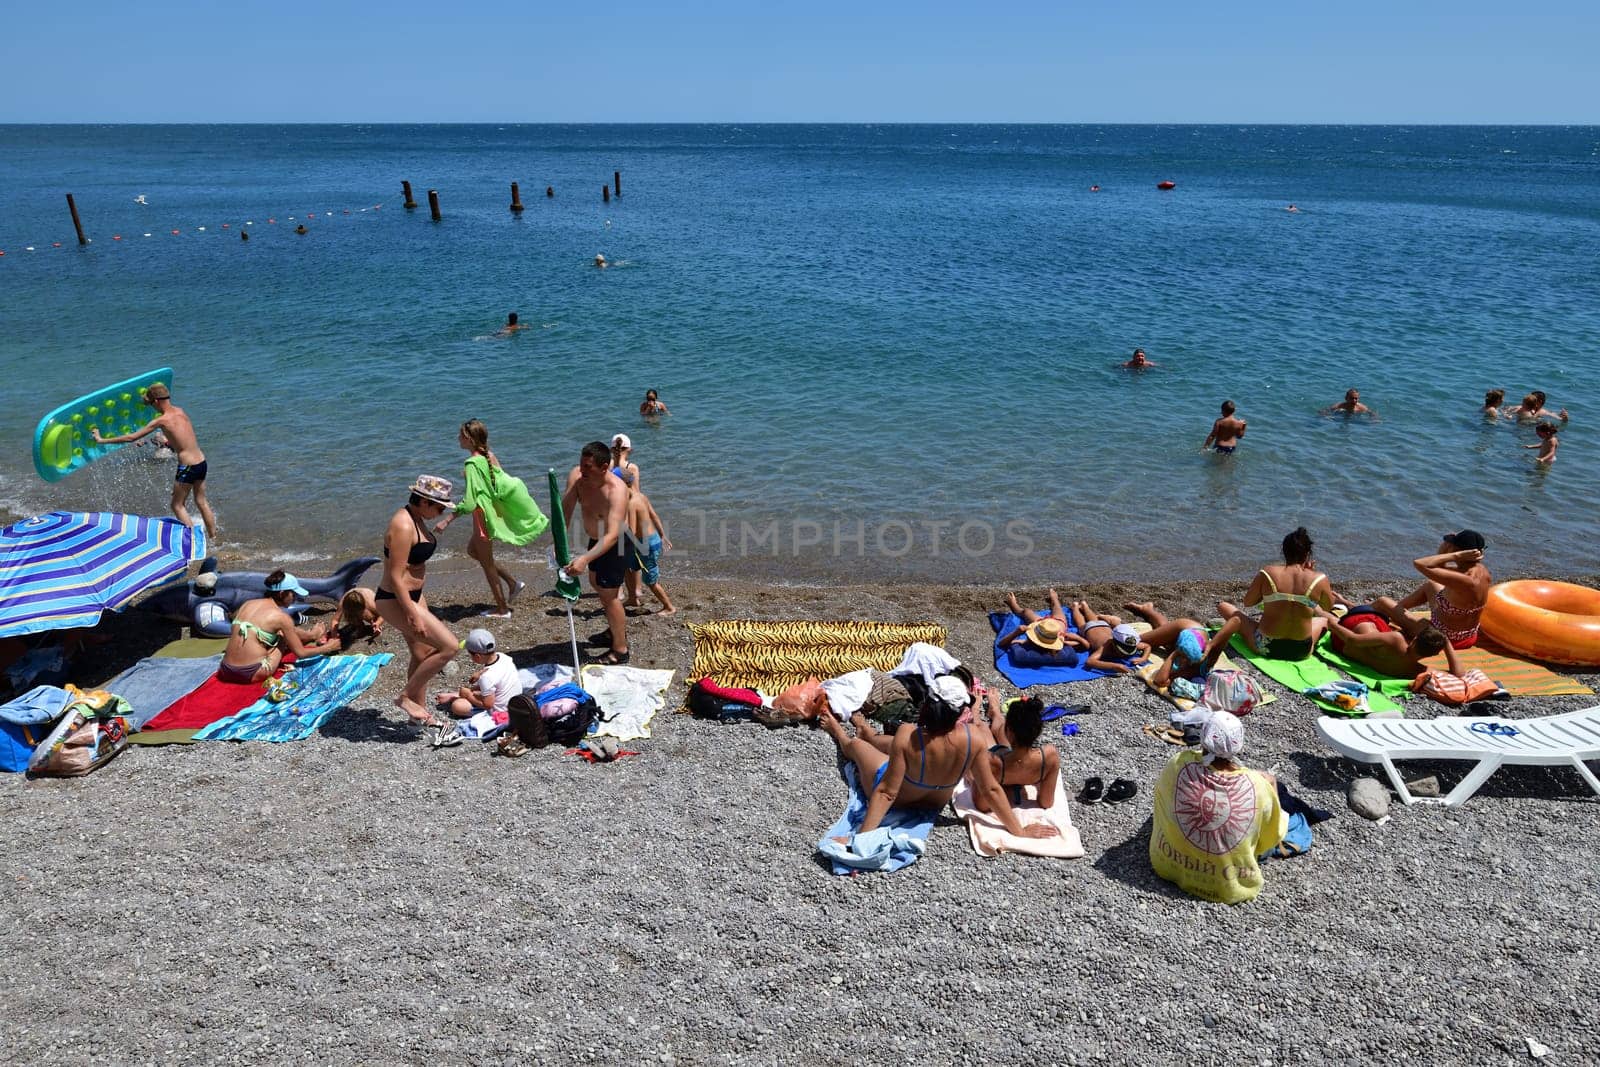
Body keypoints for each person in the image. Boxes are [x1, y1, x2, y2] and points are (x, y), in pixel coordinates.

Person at [813, 675, 1058, 842]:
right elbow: (991, 789)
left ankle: (840, 731)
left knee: (856, 747)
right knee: (889, 744)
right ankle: (868, 732)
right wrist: (1020, 831)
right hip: (932, 804)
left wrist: (861, 839)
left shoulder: (908, 733)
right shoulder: (973, 738)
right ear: (959, 712)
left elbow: (887, 792)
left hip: (902, 799)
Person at [1149, 711, 1286, 905]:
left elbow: (1161, 799)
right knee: (1289, 817)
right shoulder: (1257, 785)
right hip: (1228, 886)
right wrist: (1271, 785)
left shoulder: (1178, 763)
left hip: (1165, 865)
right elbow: (1272, 835)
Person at [434, 420, 547, 618]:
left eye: (460, 435)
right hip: (489, 515)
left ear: (469, 439)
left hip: (482, 519)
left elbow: (469, 503)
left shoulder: (471, 464)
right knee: (473, 551)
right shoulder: (489, 457)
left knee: (487, 565)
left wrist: (447, 519)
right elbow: (500, 486)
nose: (457, 438)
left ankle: (502, 608)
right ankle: (512, 583)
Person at [375, 476, 461, 727]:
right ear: (423, 501)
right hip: (395, 599)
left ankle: (418, 713)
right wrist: (411, 613)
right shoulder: (403, 525)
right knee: (449, 647)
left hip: (412, 597)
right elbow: (395, 574)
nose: (441, 511)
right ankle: (404, 697)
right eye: (439, 507)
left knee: (422, 652)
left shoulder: (418, 519)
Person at [90, 383, 217, 541]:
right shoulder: (180, 411)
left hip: (187, 466)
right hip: (201, 461)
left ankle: (192, 542)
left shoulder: (161, 421)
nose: (152, 407)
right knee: (201, 501)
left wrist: (102, 440)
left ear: (156, 402)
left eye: (150, 404)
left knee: (177, 505)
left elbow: (131, 437)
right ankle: (213, 539)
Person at [1218, 527, 1334, 661]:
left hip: (1266, 646)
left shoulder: (1268, 573)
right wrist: (1309, 580)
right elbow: (1327, 608)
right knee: (1323, 620)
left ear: (1284, 551)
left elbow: (1248, 602)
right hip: (1301, 650)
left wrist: (1271, 596)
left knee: (1223, 606)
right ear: (1308, 554)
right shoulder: (1319, 578)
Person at [563, 441, 632, 664]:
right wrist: (558, 543)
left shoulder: (617, 491)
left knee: (609, 595)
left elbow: (612, 535)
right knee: (596, 583)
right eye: (581, 465)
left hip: (617, 542)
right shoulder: (579, 478)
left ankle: (620, 650)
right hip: (596, 540)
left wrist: (584, 558)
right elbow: (565, 510)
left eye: (588, 467)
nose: (581, 471)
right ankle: (614, 630)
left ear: (604, 467)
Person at [217, 571, 341, 684]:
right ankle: (311, 635)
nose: (295, 598)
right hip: (250, 673)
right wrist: (328, 647)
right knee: (282, 637)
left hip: (225, 669)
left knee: (277, 631)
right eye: (293, 594)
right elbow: (301, 653)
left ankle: (311, 635)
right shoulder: (281, 617)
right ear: (282, 594)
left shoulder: (247, 604)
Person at [1393, 531, 1492, 649]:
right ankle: (1398, 610)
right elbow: (1439, 569)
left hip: (1443, 638)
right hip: (1468, 637)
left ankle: (1393, 613)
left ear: (1458, 550)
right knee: (1430, 585)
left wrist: (1455, 555)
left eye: (1450, 545)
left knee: (1383, 602)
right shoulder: (1481, 571)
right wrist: (1447, 548)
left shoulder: (1465, 580)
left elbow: (1419, 563)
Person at [431, 628, 522, 748]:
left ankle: (456, 696)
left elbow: (488, 704)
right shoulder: (503, 657)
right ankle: (454, 695)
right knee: (471, 693)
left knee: (457, 706)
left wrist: (468, 695)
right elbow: (491, 676)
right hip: (515, 702)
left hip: (501, 712)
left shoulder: (487, 678)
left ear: (478, 656)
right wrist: (479, 675)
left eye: (470, 653)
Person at [977, 693, 1061, 813]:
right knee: (1009, 740)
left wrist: (1004, 790)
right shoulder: (1050, 756)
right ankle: (995, 710)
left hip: (1003, 762)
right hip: (1021, 758)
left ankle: (980, 709)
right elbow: (1046, 802)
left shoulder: (991, 761)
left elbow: (982, 805)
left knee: (982, 727)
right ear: (1037, 731)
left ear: (1009, 730)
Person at [1319, 603, 1451, 678]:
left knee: (1367, 612)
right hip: (1342, 649)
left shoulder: (1396, 639)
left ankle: (1312, 604)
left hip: (1347, 635)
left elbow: (1352, 640)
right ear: (1434, 654)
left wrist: (1333, 625)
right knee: (1379, 625)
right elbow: (1459, 674)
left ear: (1415, 639)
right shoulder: (1417, 670)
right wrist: (1447, 644)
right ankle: (1341, 605)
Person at [1122, 602, 1234, 689]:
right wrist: (1211, 644)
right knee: (1135, 641)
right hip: (1187, 627)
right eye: (1181, 659)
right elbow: (1235, 622)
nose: (1181, 662)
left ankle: (1147, 609)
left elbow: (1160, 681)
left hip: (1191, 639)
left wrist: (1174, 654)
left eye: (1182, 660)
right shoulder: (1210, 659)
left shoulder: (1185, 669)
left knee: (1164, 634)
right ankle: (1146, 609)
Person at [622, 473, 675, 616]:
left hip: (646, 546)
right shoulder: (641, 496)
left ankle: (669, 607)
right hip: (647, 541)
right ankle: (633, 599)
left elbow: (631, 530)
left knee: (650, 580)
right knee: (629, 567)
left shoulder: (631, 503)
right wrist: (663, 535)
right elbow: (654, 515)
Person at [997, 590, 1090, 665]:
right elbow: (1086, 646)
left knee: (1026, 612)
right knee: (1057, 608)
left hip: (1044, 625)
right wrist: (1077, 637)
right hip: (1056, 626)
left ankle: (1013, 604)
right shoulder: (1061, 644)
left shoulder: (1028, 643)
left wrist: (1016, 632)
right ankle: (1054, 598)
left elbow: (1002, 644)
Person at [1068, 600, 1149, 674]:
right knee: (1081, 624)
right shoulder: (1106, 646)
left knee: (1094, 619)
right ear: (1113, 644)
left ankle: (1085, 606)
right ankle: (1075, 608)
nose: (1124, 654)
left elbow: (1147, 646)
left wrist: (1143, 658)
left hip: (1103, 625)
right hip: (1089, 628)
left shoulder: (1130, 643)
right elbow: (1090, 661)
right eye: (1121, 651)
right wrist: (1113, 666)